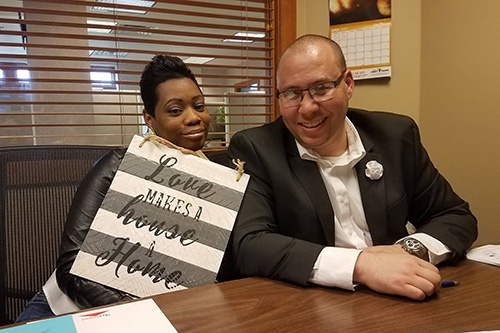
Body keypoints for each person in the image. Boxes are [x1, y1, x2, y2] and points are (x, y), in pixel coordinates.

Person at [226, 34, 477, 301]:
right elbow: (248, 244)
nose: (307, 107)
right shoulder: (255, 148)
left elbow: (455, 216)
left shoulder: (395, 136)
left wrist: (407, 251)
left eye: (321, 88)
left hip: (403, 297)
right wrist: (360, 265)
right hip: (314, 306)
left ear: (347, 84)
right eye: (291, 94)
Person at [15, 55, 230, 323]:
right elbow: (71, 268)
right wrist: (137, 309)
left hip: (164, 310)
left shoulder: (220, 182)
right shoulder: (118, 166)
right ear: (149, 118)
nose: (194, 118)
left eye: (199, 106)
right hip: (73, 307)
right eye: (175, 110)